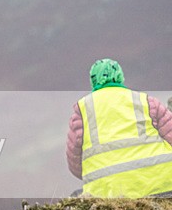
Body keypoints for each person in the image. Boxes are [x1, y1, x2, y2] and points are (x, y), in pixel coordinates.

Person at [66, 58, 172, 198]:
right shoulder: (145, 100)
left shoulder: (83, 110)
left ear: (93, 80)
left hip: (108, 192)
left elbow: (75, 161)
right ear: (120, 77)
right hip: (161, 183)